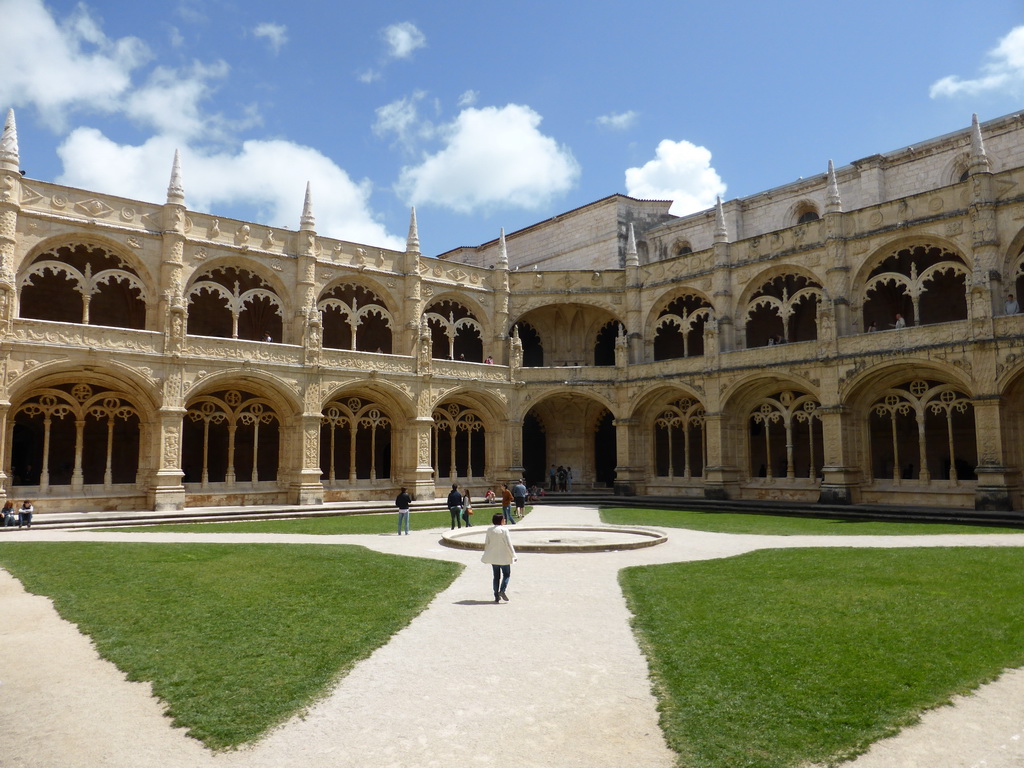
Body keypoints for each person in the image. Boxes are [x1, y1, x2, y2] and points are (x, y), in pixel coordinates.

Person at [482, 512, 517, 603]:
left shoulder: (489, 530)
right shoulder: (504, 530)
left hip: (494, 556)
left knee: (496, 576)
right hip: (504, 556)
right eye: (503, 519)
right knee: (507, 574)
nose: (505, 520)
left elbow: (487, 543)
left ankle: (496, 594)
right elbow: (509, 544)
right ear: (501, 520)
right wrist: (513, 555)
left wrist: (486, 553)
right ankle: (502, 590)